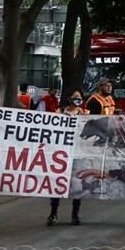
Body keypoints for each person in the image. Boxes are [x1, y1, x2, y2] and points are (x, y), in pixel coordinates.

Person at [47, 89, 88, 226]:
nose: (77, 99)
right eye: (75, 96)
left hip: (78, 153)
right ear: (69, 98)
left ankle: (75, 214)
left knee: (77, 184)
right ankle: (53, 213)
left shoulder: (86, 114)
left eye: (79, 97)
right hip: (61, 154)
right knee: (57, 183)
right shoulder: (58, 113)